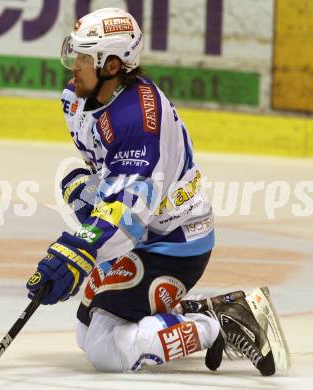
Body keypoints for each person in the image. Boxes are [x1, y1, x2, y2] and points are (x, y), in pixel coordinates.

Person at [26, 8, 289, 375]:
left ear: (112, 65)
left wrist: (79, 248)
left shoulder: (137, 122)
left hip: (174, 244)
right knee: (88, 332)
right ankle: (202, 310)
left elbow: (129, 217)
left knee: (105, 350)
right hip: (145, 230)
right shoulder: (76, 97)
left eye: (84, 57)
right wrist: (85, 233)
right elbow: (103, 177)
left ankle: (221, 325)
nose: (74, 66)